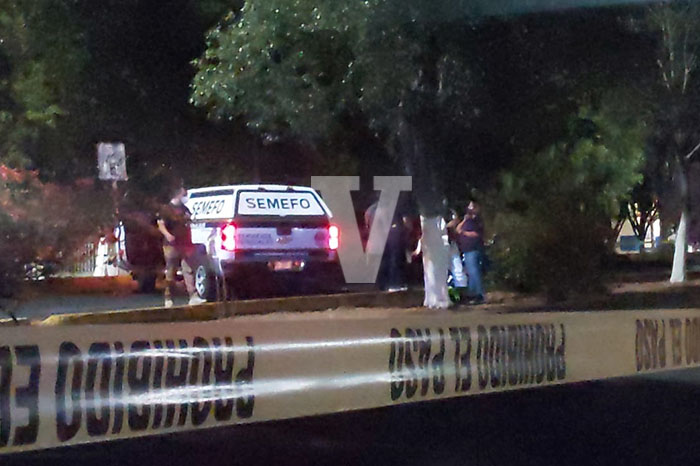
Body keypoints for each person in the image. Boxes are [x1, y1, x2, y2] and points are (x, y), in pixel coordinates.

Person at [157, 186, 205, 308]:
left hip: (184, 244)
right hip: (171, 245)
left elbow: (189, 220)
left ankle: (193, 295)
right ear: (177, 194)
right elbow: (161, 224)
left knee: (188, 269)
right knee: (171, 271)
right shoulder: (166, 209)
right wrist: (168, 235)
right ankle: (168, 297)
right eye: (184, 194)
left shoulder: (184, 208)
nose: (185, 197)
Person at [455, 200, 485, 304]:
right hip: (466, 250)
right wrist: (464, 220)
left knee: (474, 272)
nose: (470, 208)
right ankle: (472, 294)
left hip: (473, 249)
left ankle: (479, 294)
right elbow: (457, 229)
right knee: (470, 272)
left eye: (472, 207)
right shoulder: (467, 220)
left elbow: (476, 234)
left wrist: (464, 233)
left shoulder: (477, 221)